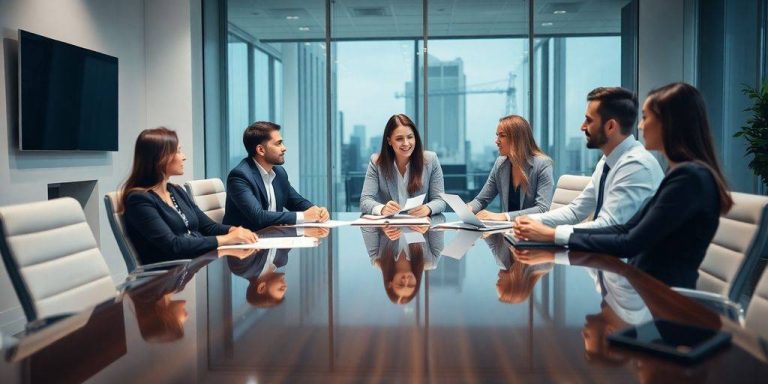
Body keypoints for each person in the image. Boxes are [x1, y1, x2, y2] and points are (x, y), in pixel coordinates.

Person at [516, 83, 734, 288]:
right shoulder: (681, 174)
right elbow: (625, 229)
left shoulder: (686, 178)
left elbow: (629, 241)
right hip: (642, 287)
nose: (640, 125)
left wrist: (551, 235)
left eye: (646, 117)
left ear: (668, 124)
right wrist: (532, 226)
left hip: (660, 299)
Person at [513, 87, 664, 245]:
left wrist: (552, 234)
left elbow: (608, 227)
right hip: (603, 258)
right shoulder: (607, 161)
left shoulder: (636, 166)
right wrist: (526, 220)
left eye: (589, 120)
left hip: (628, 265)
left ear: (611, 126)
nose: (582, 127)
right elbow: (575, 211)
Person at [122, 128, 257, 264]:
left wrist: (234, 230)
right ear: (160, 158)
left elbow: (208, 227)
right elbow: (173, 245)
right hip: (167, 277)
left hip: (194, 264)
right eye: (178, 151)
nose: (184, 157)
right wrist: (227, 239)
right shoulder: (139, 200)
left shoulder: (176, 191)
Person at [223, 121, 329, 231]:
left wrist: (316, 211)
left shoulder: (279, 172)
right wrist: (303, 216)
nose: (284, 148)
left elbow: (296, 201)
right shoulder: (240, 176)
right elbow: (258, 217)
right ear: (261, 150)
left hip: (272, 238)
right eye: (278, 143)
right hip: (244, 243)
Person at [468, 115, 554, 221]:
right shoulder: (500, 164)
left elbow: (542, 209)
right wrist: (468, 208)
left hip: (531, 232)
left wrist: (505, 216)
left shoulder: (542, 165)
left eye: (502, 136)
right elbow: (481, 200)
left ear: (517, 139)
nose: (497, 141)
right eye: (497, 136)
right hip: (507, 231)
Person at [360, 114, 446, 217]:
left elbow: (440, 200)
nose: (406, 143)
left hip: (419, 228)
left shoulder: (430, 160)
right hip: (389, 229)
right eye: (399, 139)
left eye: (410, 137)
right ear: (389, 141)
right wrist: (382, 209)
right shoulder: (377, 162)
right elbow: (365, 200)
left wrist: (428, 208)